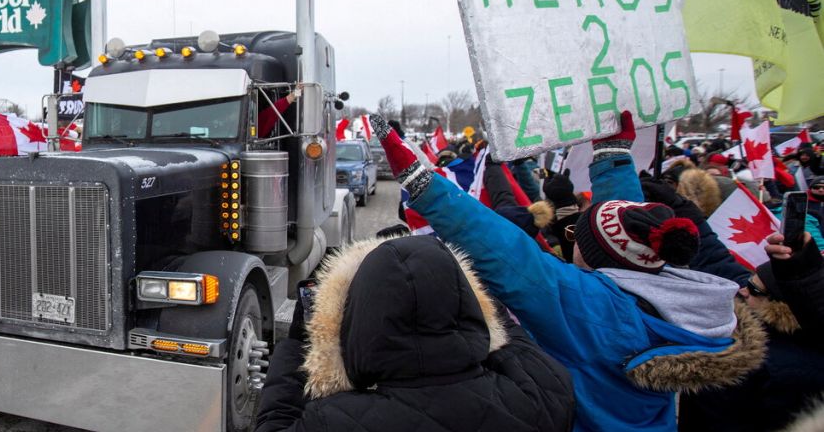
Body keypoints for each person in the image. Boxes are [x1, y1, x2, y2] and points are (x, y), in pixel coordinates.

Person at [368, 112, 766, 431]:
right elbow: (621, 226)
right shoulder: (674, 294)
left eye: (581, 238)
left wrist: (424, 184)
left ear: (593, 256)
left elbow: (506, 253)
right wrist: (613, 155)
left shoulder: (594, 309)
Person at [255, 235, 574, 432]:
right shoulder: (542, 394)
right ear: (465, 301)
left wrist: (299, 342)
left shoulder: (332, 419)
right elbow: (509, 336)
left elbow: (275, 422)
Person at [679, 230, 824, 431]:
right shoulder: (810, 341)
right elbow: (715, 258)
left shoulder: (746, 361)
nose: (742, 290)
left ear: (777, 306)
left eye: (753, 289)